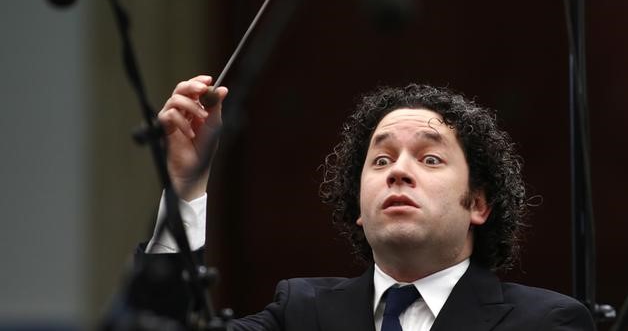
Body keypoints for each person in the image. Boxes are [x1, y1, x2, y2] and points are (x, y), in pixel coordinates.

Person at [145, 75, 596, 330]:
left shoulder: (547, 323)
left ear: (478, 204)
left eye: (430, 158)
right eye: (380, 159)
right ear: (359, 208)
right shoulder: (301, 312)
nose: (398, 171)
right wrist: (185, 185)